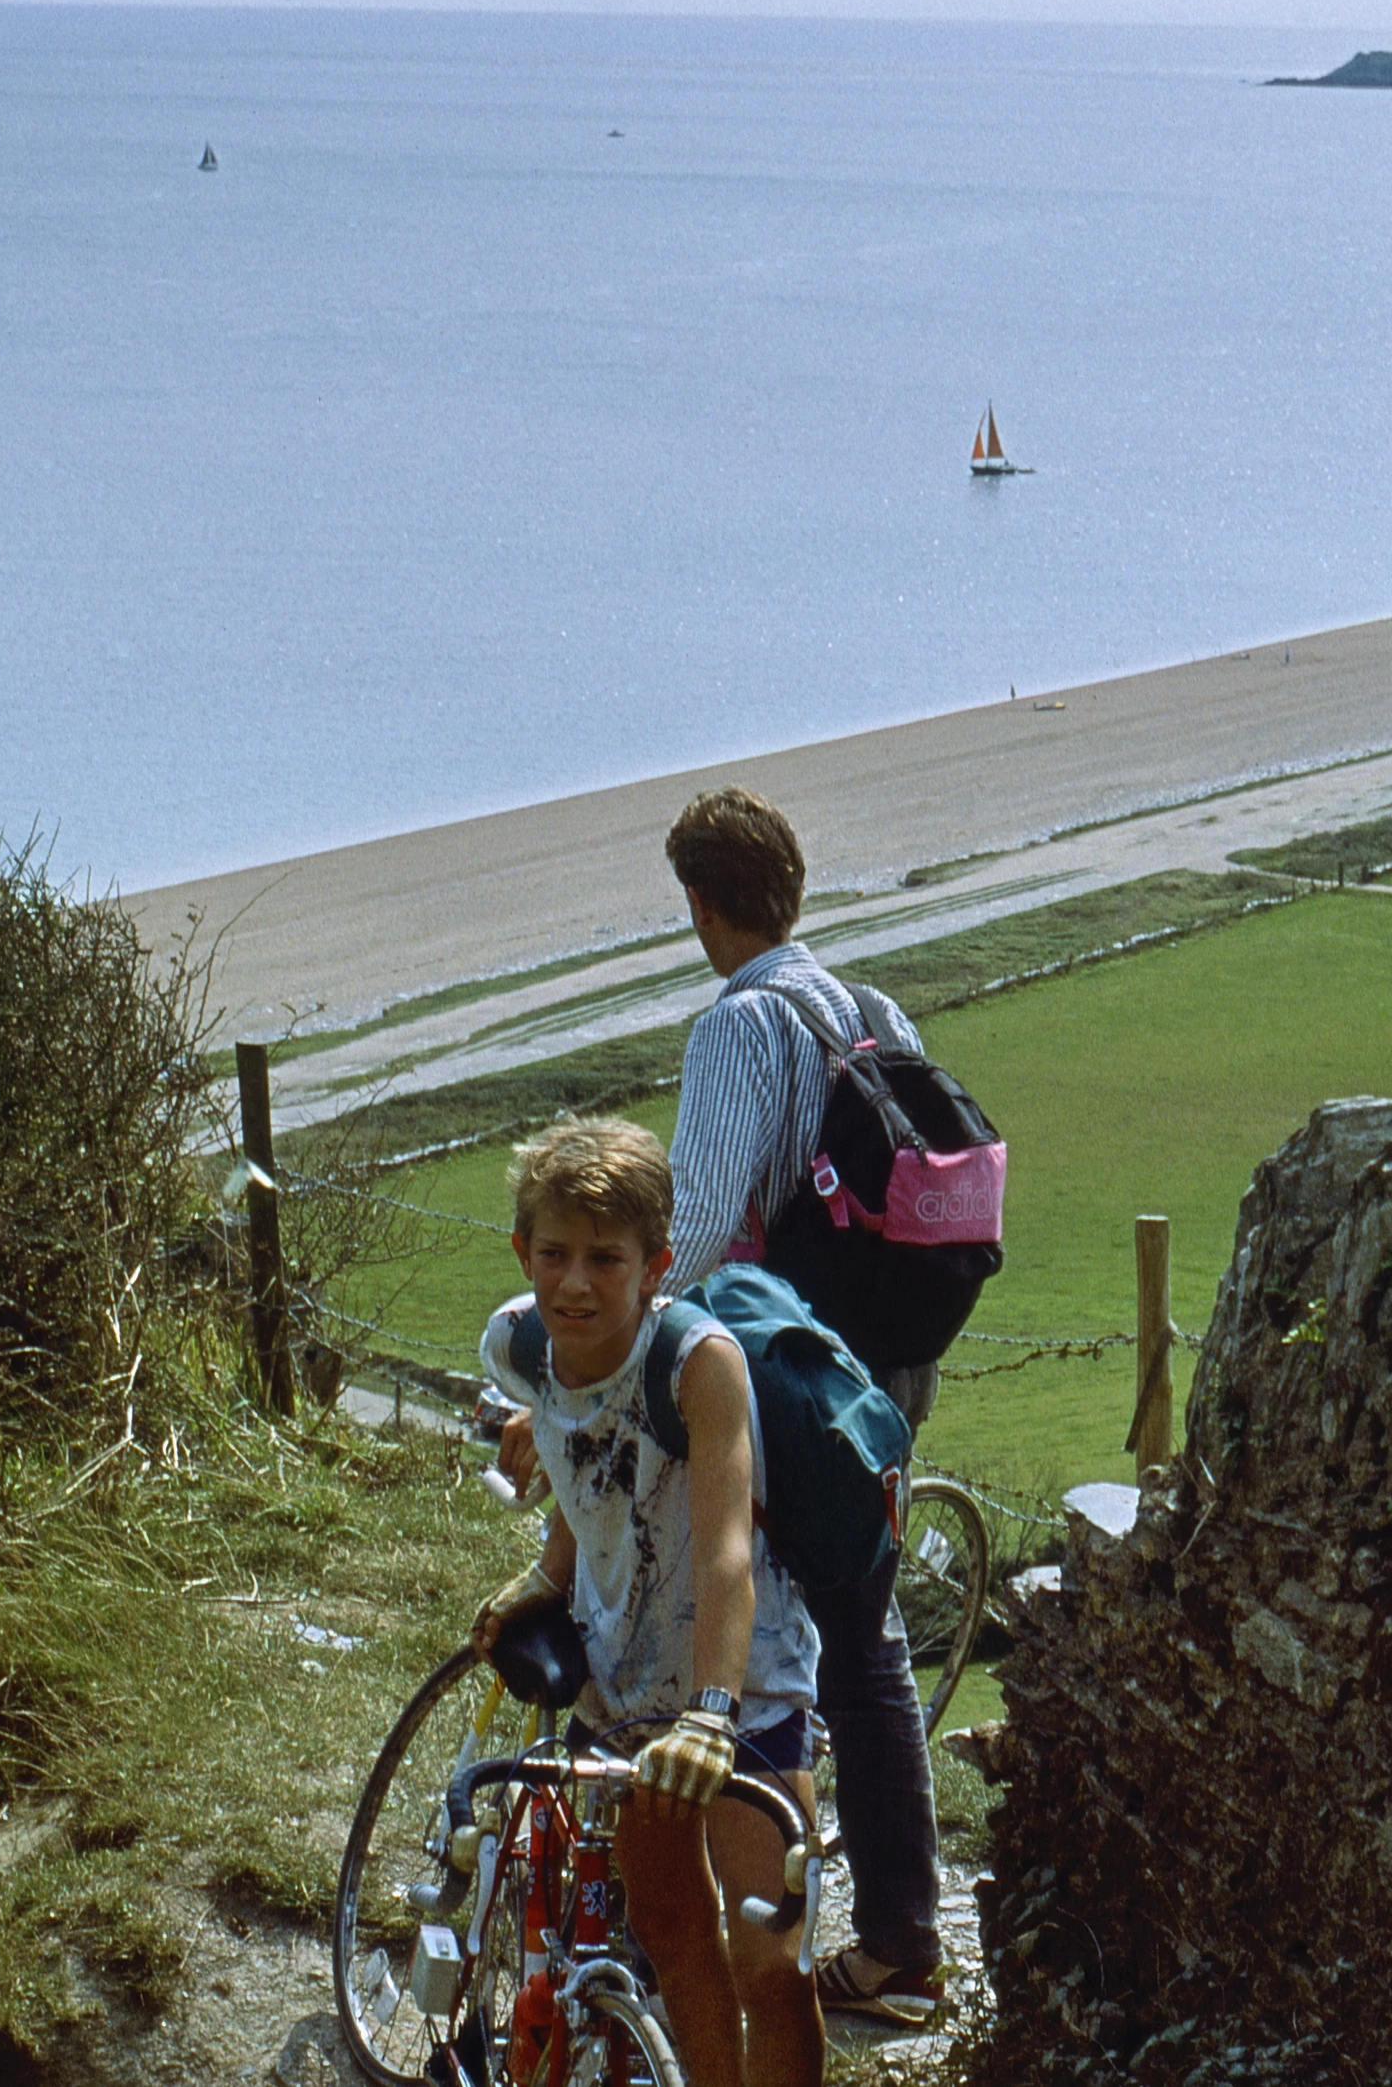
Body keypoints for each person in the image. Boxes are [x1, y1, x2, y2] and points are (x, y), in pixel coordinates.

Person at [658, 786, 949, 2030]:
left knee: (764, 1643)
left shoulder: (739, 1028)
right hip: (879, 1372)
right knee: (860, 1631)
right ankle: (893, 1931)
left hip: (779, 1377)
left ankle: (799, 1939)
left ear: (703, 905)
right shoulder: (870, 1011)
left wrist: (623, 1345)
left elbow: (694, 1227)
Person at [475, 1117, 822, 2087]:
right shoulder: (518, 1347)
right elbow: (583, 1461)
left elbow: (722, 1548)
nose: (575, 1283)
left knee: (771, 1959)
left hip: (738, 1673)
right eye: (553, 1255)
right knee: (671, 1931)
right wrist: (547, 1575)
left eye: (605, 1260)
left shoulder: (698, 1364)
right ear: (522, 1252)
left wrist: (713, 1718)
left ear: (656, 1264)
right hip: (625, 1671)